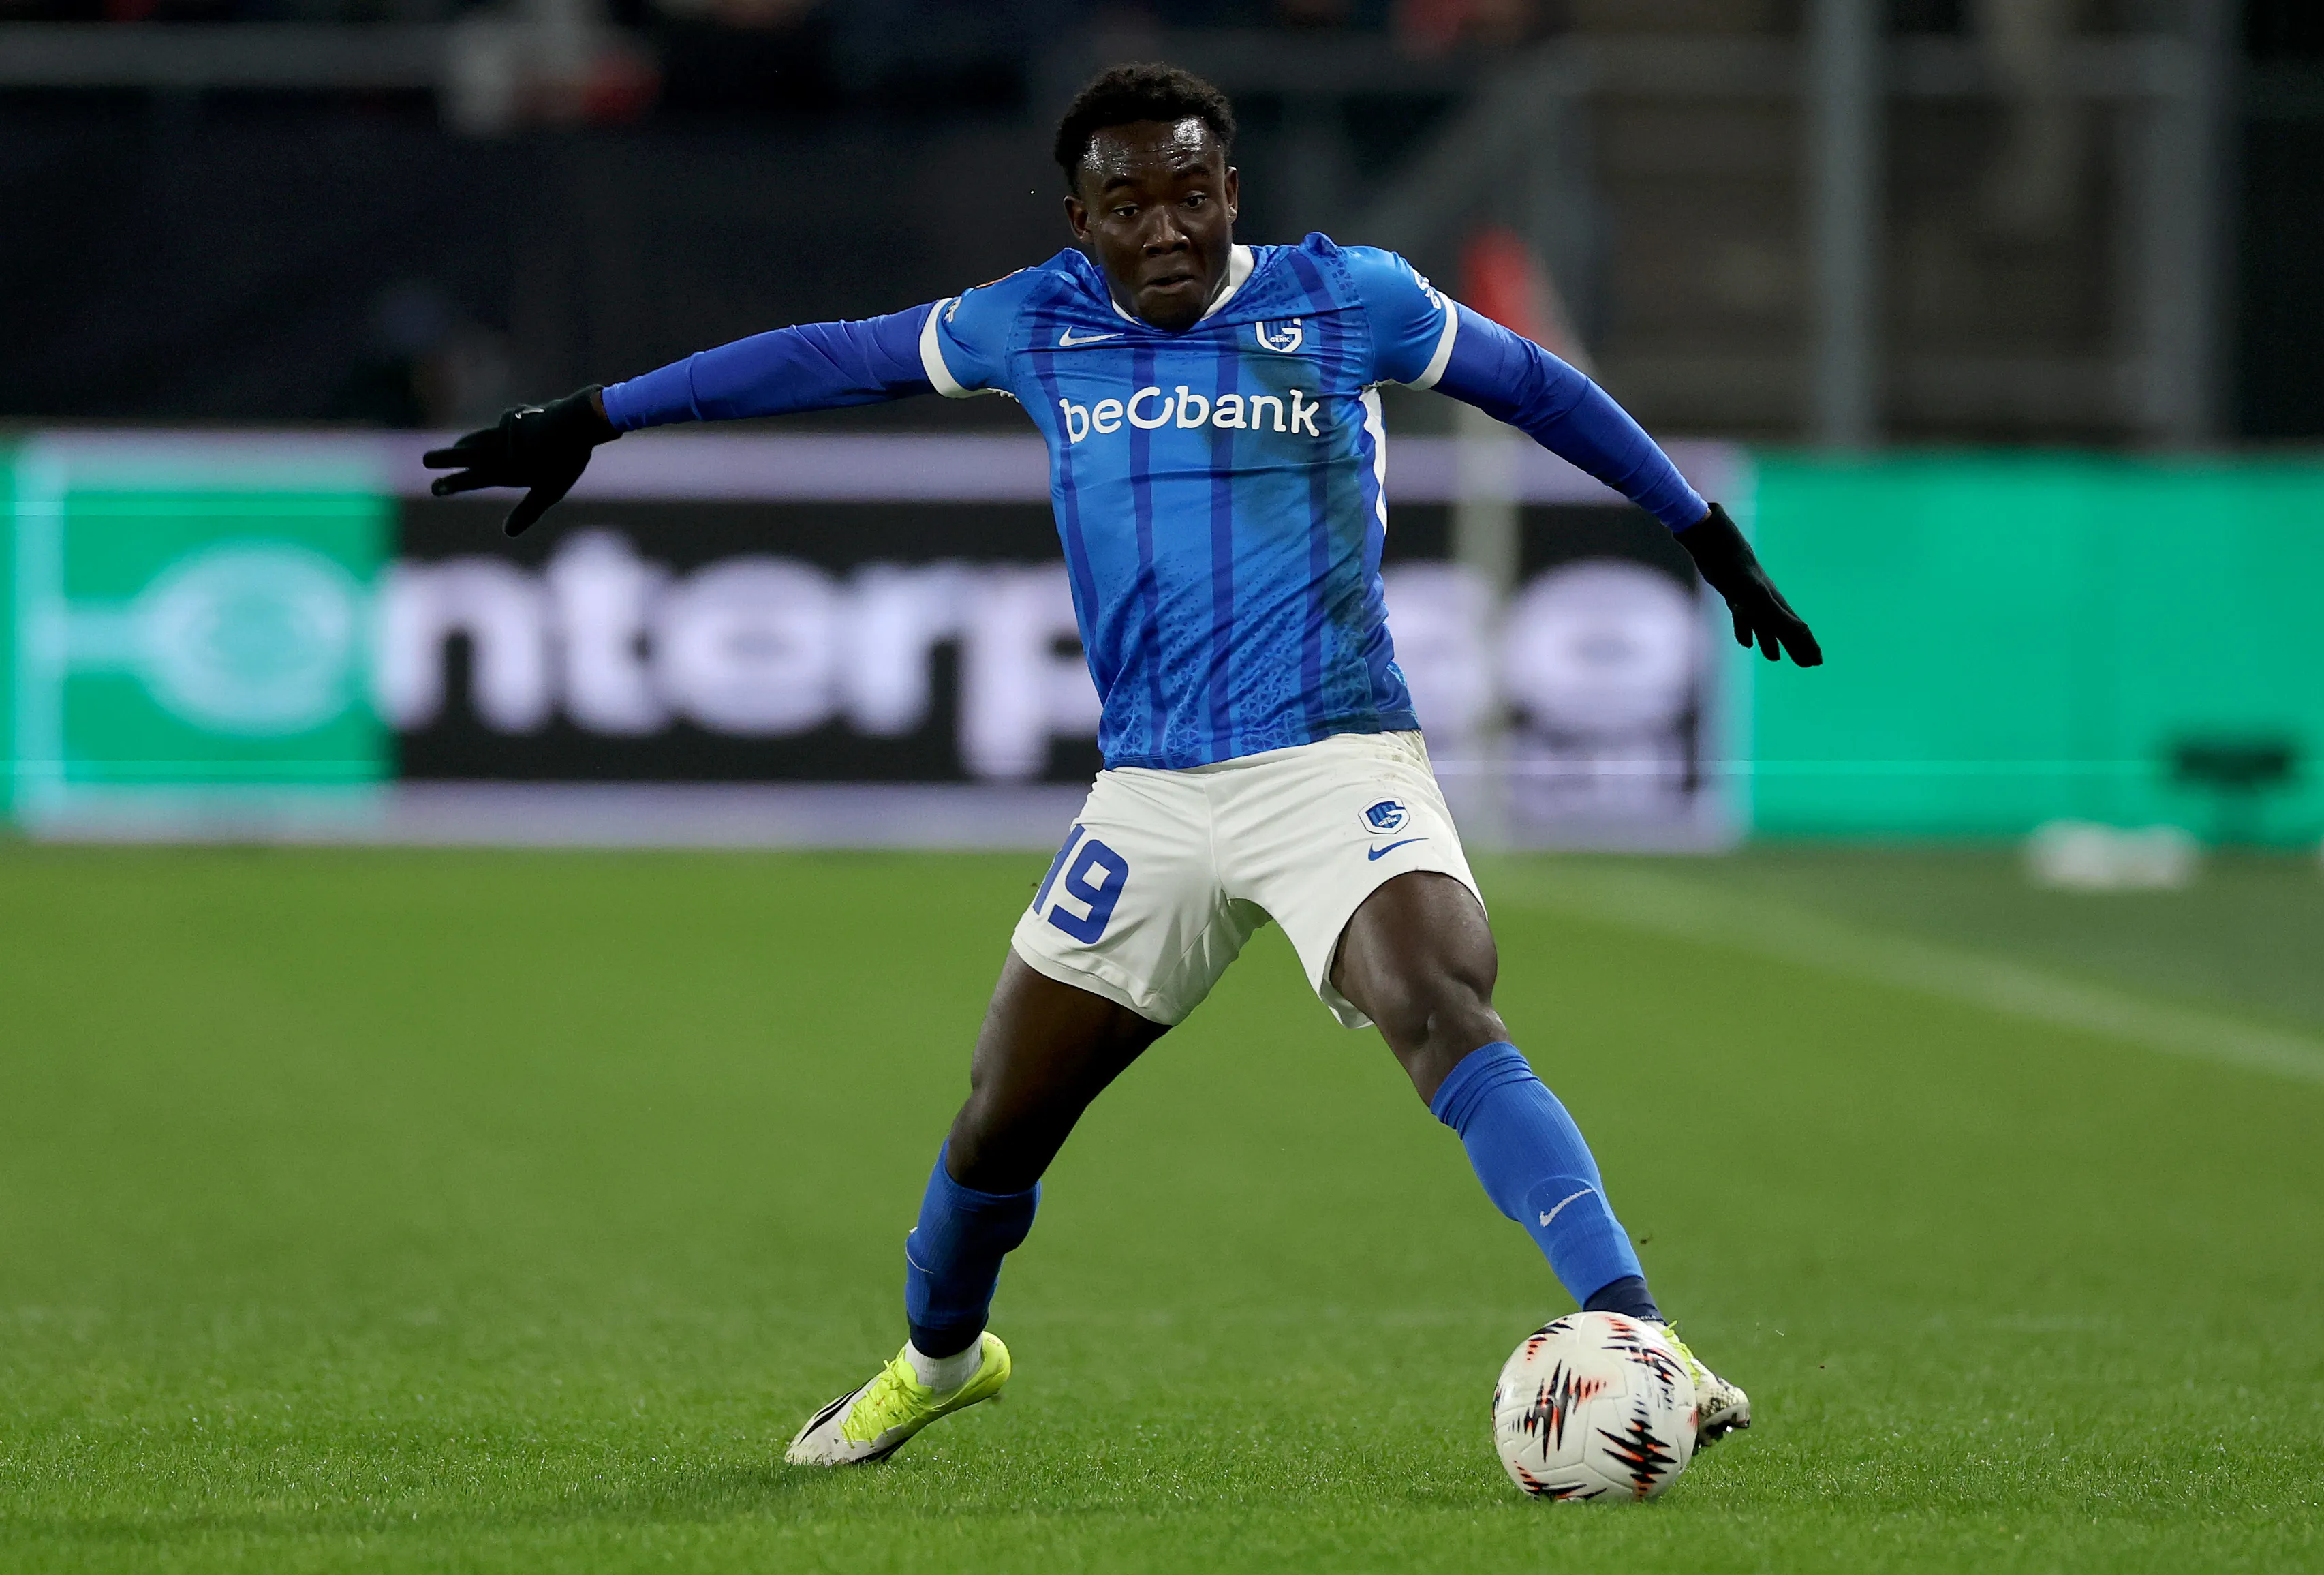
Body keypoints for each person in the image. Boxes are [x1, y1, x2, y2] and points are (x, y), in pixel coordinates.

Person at [424, 61, 1821, 1470]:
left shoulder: (1352, 300)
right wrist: (597, 416)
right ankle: (937, 1363)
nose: (1165, 229)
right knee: (997, 1123)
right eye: (1127, 203)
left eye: (1190, 195)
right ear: (1079, 219)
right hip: (1150, 795)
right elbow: (824, 355)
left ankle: (1645, 1340)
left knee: (1439, 999)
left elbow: (1535, 388)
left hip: (1333, 755)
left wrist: (1699, 530)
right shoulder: (1031, 322)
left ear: (1232, 195)